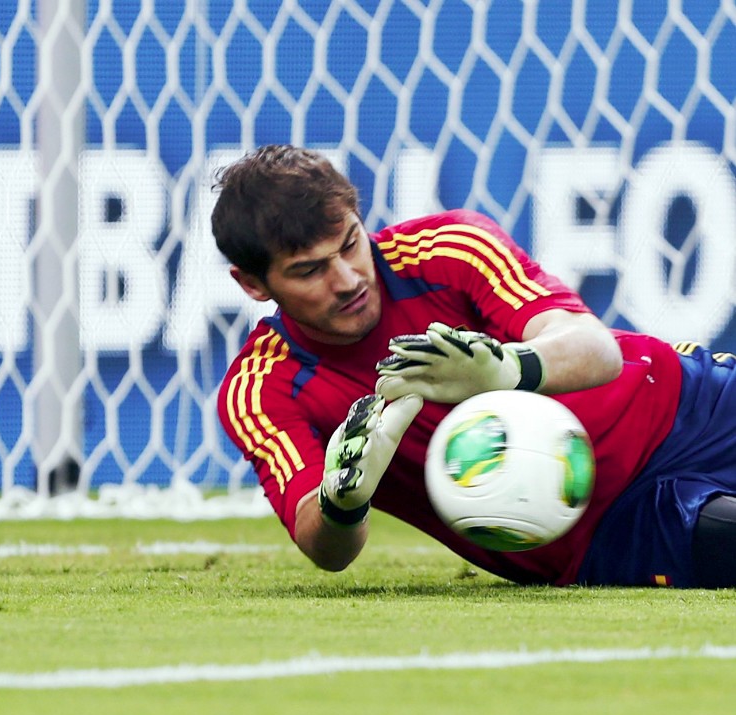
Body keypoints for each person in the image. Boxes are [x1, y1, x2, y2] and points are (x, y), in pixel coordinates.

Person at [211, 143, 736, 587]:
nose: (347, 279)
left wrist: (507, 369)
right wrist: (341, 503)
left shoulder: (448, 250)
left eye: (350, 244)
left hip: (694, 404)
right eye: (309, 271)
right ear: (252, 284)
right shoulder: (260, 390)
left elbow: (595, 349)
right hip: (608, 527)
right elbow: (325, 548)